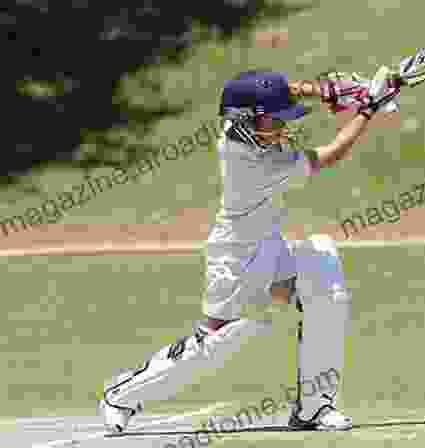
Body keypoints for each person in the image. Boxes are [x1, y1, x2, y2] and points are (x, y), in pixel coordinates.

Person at [98, 67, 401, 432]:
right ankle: (121, 394)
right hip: (236, 260)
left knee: (325, 281)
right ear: (246, 121)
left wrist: (325, 91)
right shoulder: (255, 162)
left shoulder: (242, 119)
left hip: (270, 247)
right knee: (221, 341)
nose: (282, 129)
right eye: (275, 121)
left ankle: (314, 408)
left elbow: (273, 89)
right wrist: (367, 108)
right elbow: (330, 155)